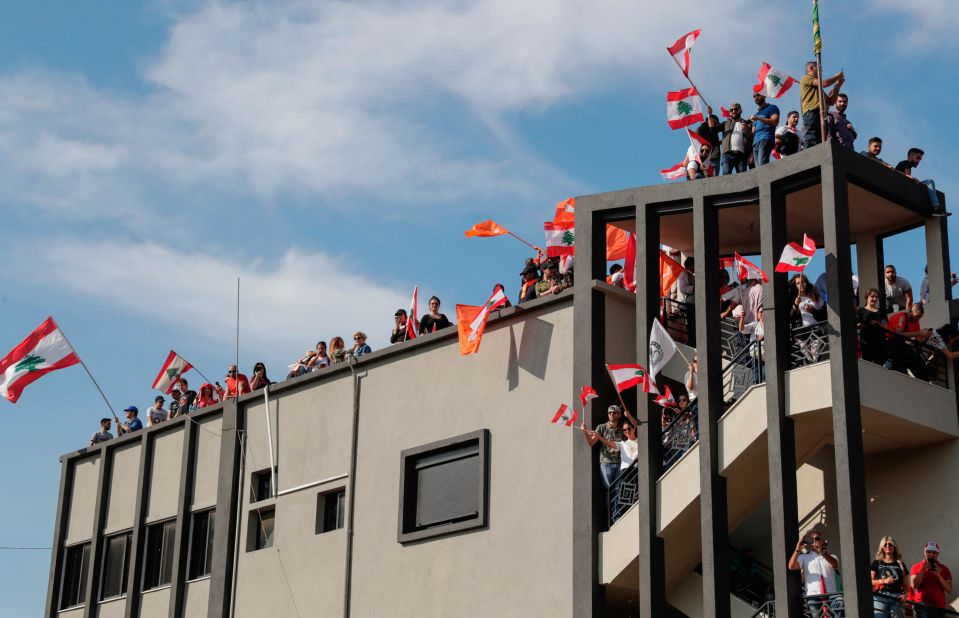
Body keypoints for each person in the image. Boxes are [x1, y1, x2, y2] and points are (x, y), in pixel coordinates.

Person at [788, 530, 842, 615]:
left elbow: (835, 564)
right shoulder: (804, 557)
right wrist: (798, 549)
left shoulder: (831, 556)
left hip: (832, 594)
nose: (814, 541)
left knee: (840, 603)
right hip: (814, 596)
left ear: (823, 541)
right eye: (811, 539)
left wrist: (822, 552)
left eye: (817, 538)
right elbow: (791, 566)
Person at [798, 61, 844, 148]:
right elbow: (824, 83)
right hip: (811, 112)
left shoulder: (818, 88)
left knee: (820, 140)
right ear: (811, 68)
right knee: (811, 137)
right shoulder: (806, 78)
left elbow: (830, 101)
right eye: (819, 68)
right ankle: (809, 158)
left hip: (821, 114)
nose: (821, 71)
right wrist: (837, 77)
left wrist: (837, 86)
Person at [580, 405, 626, 488]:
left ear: (619, 415)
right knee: (609, 488)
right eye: (609, 413)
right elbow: (592, 442)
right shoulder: (602, 427)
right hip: (606, 463)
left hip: (620, 463)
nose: (611, 414)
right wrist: (585, 432)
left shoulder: (623, 429)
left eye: (614, 412)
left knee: (618, 488)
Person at [895, 148, 948, 217]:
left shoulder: (906, 164)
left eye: (920, 159)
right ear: (911, 156)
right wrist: (914, 179)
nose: (919, 161)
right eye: (918, 158)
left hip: (903, 188)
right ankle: (936, 208)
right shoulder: (906, 163)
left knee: (928, 183)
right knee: (929, 182)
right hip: (901, 188)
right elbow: (907, 176)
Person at [909, 541, 953, 616]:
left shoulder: (944, 569)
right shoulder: (916, 567)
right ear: (924, 552)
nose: (931, 554)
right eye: (929, 552)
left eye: (934, 552)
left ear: (937, 554)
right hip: (921, 605)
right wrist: (923, 570)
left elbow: (949, 589)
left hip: (939, 607)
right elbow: (914, 585)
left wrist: (938, 575)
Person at [871, 535, 909, 617]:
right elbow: (870, 581)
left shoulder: (900, 564)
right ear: (882, 547)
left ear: (894, 547)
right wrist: (883, 581)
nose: (887, 546)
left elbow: (906, 584)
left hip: (897, 598)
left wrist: (905, 595)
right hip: (880, 597)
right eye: (885, 544)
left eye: (890, 544)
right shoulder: (877, 562)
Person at [718, 103, 752, 175]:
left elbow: (752, 138)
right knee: (726, 174)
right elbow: (712, 129)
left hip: (741, 155)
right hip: (727, 154)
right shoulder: (725, 123)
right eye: (731, 110)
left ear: (740, 110)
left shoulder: (748, 123)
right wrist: (709, 114)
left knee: (742, 177)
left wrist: (746, 129)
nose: (733, 111)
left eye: (736, 109)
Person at [857, 288, 889, 365]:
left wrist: (877, 323)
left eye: (876, 297)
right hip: (866, 341)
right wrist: (863, 325)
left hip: (879, 341)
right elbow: (857, 324)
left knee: (880, 363)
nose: (875, 299)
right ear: (867, 297)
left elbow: (886, 326)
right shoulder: (860, 310)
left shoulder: (881, 312)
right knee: (868, 362)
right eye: (872, 296)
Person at [749, 92, 779, 166]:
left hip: (765, 138)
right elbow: (753, 133)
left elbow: (775, 121)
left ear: (764, 96)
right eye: (754, 96)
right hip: (755, 143)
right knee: (758, 168)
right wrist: (745, 128)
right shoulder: (756, 115)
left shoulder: (772, 107)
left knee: (762, 164)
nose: (756, 97)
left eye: (758, 95)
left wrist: (759, 118)